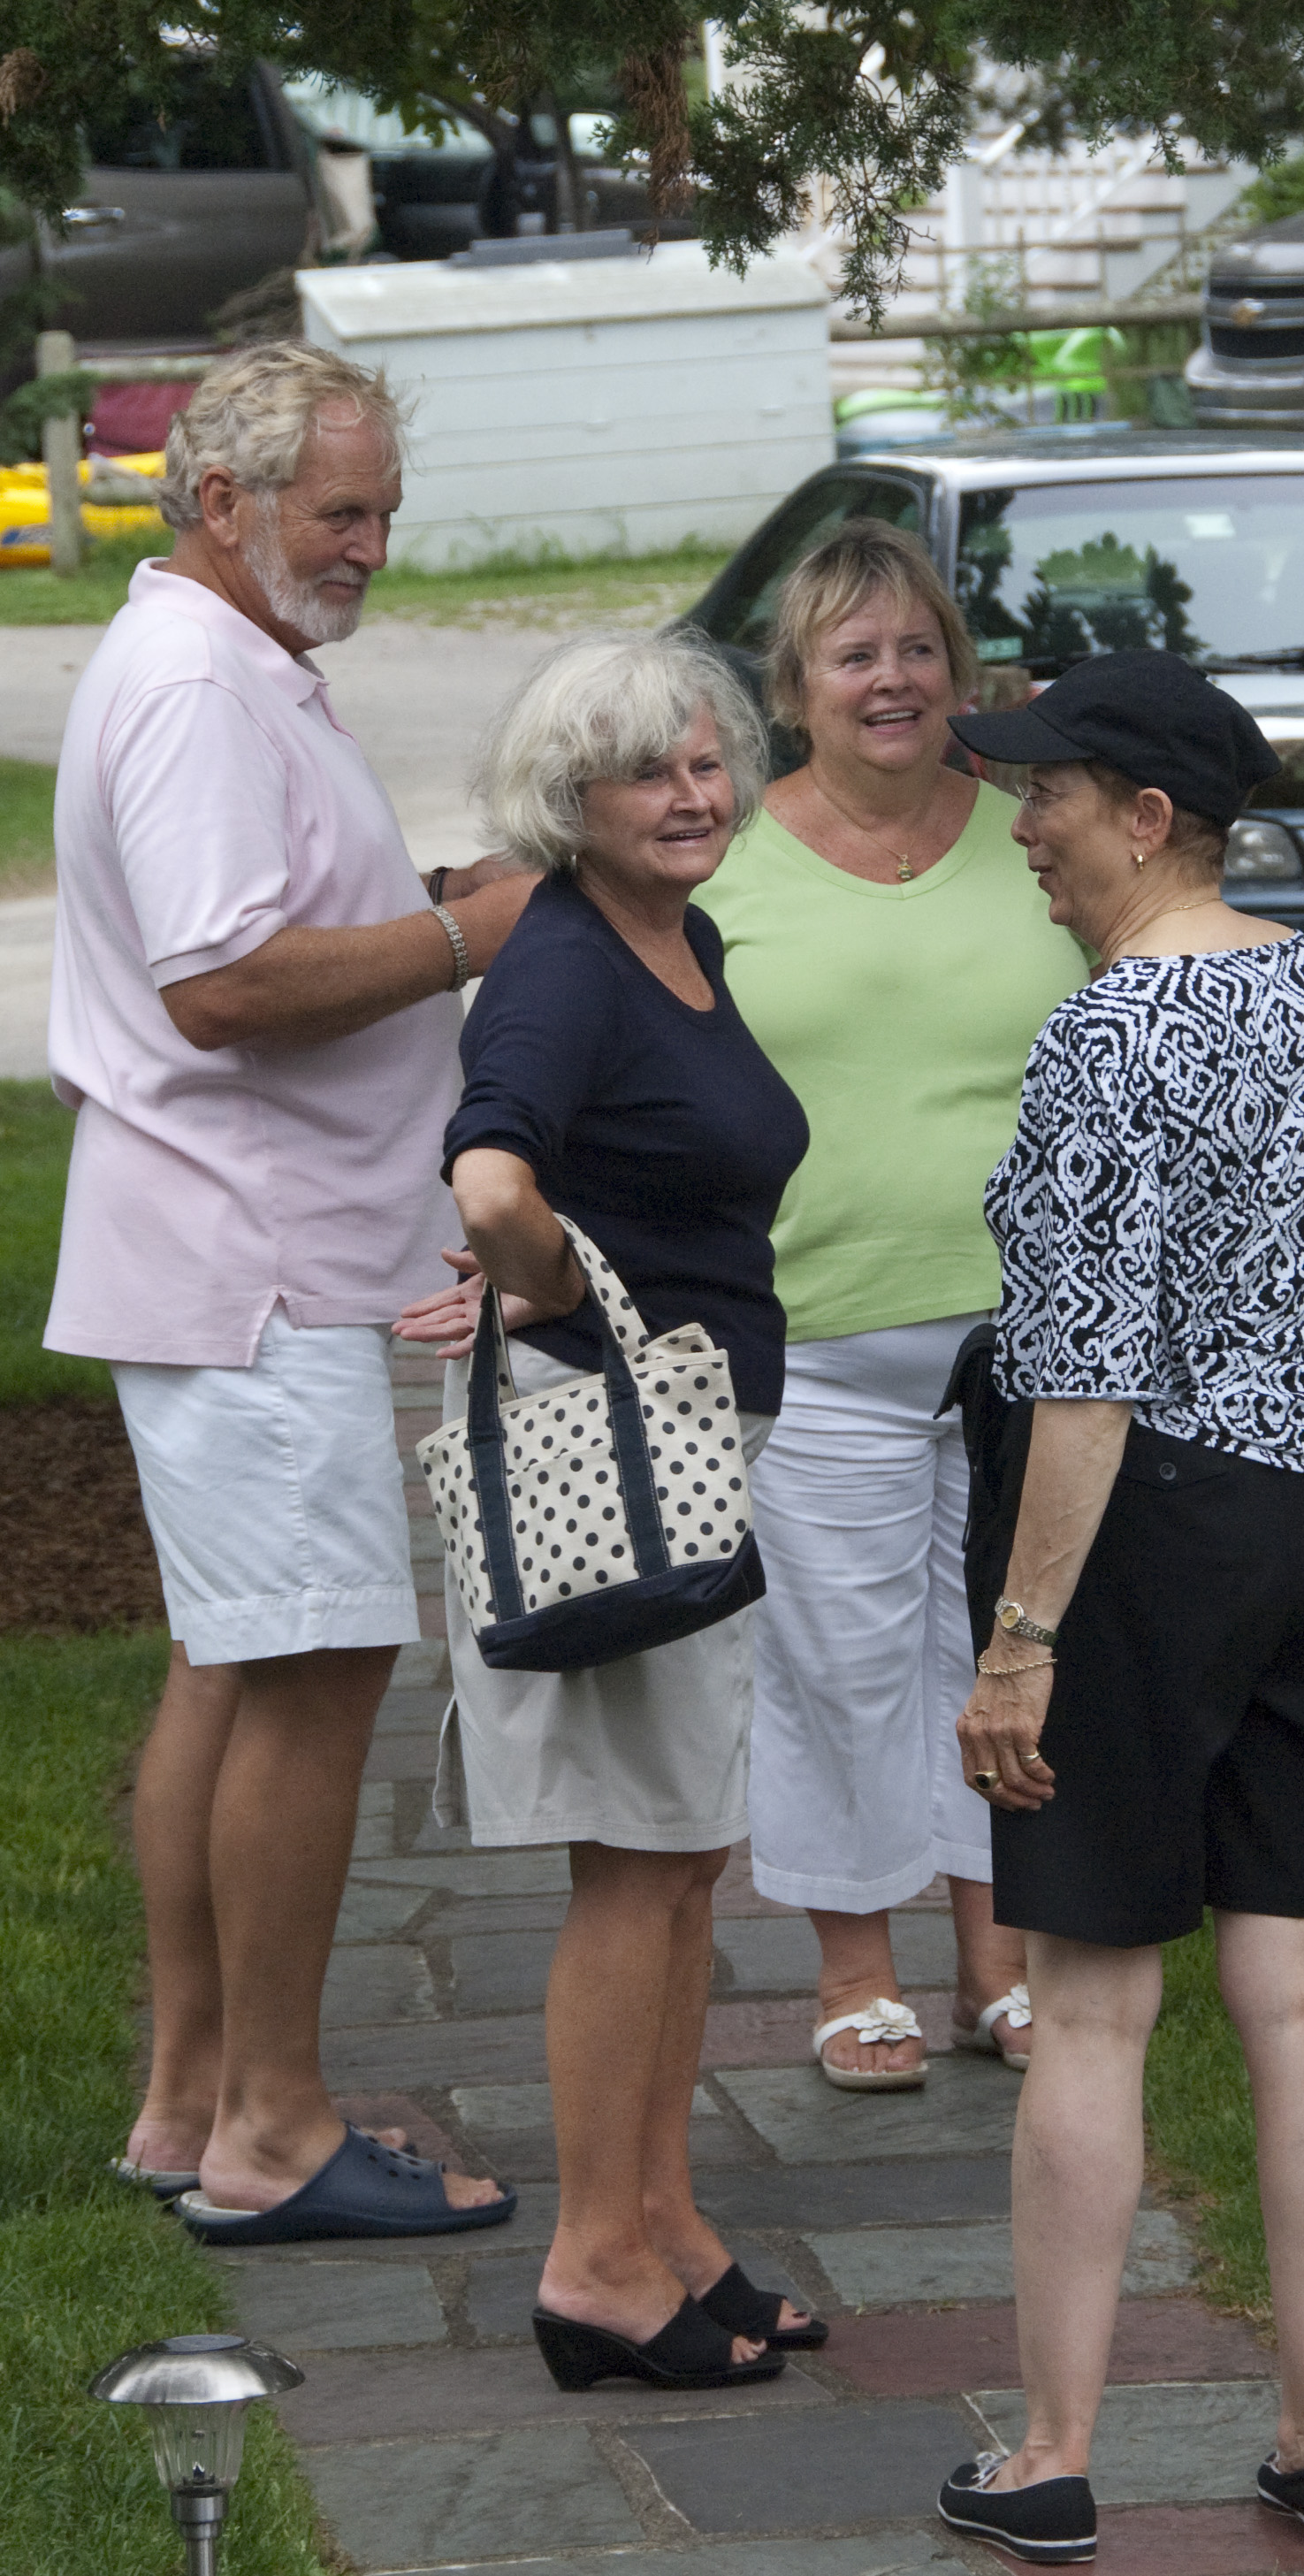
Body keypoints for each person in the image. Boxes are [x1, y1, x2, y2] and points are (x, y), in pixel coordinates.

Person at [930, 650, 1304, 2565]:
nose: (1021, 828)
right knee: (1301, 1983)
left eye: (1048, 793)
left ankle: (1054, 2453)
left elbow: (1085, 1374)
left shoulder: (1106, 1036)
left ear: (1148, 817)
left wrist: (1023, 1636)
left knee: (1089, 2000)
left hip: (1140, 1530)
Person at [48, 340, 530, 2243]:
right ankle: (272, 2126)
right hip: (253, 1263)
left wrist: (427, 904)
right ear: (221, 499)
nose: (374, 545)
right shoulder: (194, 682)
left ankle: (196, 2099)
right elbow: (222, 984)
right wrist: (463, 933)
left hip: (240, 1252)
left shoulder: (227, 659)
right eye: (343, 510)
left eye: (389, 510)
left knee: (235, 1663)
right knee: (317, 1671)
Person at [394, 632, 827, 2384]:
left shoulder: (678, 938)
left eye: (709, 760)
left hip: (695, 1436)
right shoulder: (565, 961)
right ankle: (594, 2264)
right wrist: (549, 1279)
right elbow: (492, 1170)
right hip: (619, 1452)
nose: (694, 793)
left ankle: (666, 2221)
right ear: (570, 800)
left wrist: (561, 1259)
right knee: (637, 1866)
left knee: (681, 1858)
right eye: (650, 770)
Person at [690, 521, 1086, 2090]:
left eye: (920, 648)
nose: (893, 679)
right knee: (841, 1666)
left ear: (959, 672)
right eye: (855, 654)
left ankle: (999, 1962)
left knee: (1007, 1650)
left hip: (1038, 1342)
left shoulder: (1035, 837)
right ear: (796, 687)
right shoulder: (726, 857)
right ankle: (858, 1971)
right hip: (815, 1333)